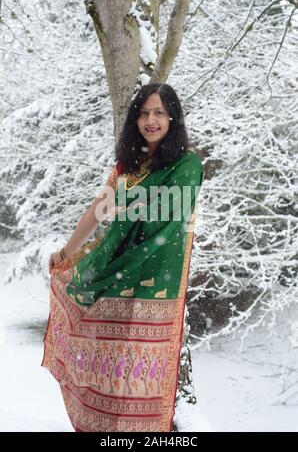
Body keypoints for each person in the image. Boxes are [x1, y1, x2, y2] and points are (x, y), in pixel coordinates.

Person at [41, 82, 204, 432]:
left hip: (154, 283)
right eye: (144, 112)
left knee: (140, 377)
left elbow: (168, 223)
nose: (151, 119)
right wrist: (67, 252)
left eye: (159, 112)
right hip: (114, 276)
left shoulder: (186, 165)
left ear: (173, 118)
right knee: (112, 373)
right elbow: (97, 211)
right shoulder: (128, 166)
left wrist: (131, 209)